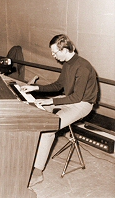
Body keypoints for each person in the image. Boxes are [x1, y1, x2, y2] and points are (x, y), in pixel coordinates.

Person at [21, 34, 98, 187]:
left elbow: (77, 97)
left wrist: (52, 100)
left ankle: (37, 172)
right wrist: (36, 87)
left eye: (55, 52)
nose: (53, 55)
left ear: (66, 50)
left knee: (49, 129)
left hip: (82, 104)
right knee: (37, 107)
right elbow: (58, 85)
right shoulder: (68, 64)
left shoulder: (83, 67)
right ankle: (30, 153)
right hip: (69, 98)